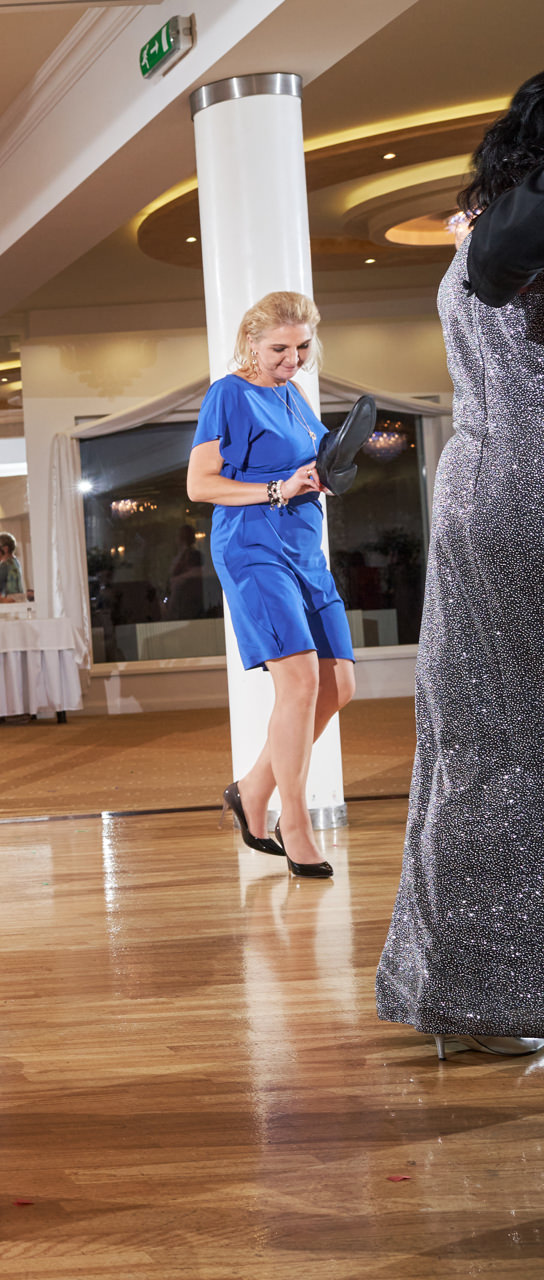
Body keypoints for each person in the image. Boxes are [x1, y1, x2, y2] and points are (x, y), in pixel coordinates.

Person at [378, 74, 544, 1060]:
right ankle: (514, 989)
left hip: (476, 494)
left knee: (473, 730)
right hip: (535, 491)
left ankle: (464, 990)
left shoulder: (476, 235)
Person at [186, 290, 353, 879]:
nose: (293, 358)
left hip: (305, 548)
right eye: (280, 348)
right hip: (252, 546)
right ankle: (296, 824)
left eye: (302, 346)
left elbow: (312, 459)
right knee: (300, 680)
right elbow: (200, 484)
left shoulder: (294, 393)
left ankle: (252, 789)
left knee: (340, 684)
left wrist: (320, 476)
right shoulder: (228, 394)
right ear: (251, 343)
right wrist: (278, 489)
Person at [0, 532, 25, 597]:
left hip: (8, 600)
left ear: (5, 549)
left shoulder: (5, 565)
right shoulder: (15, 562)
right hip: (19, 598)